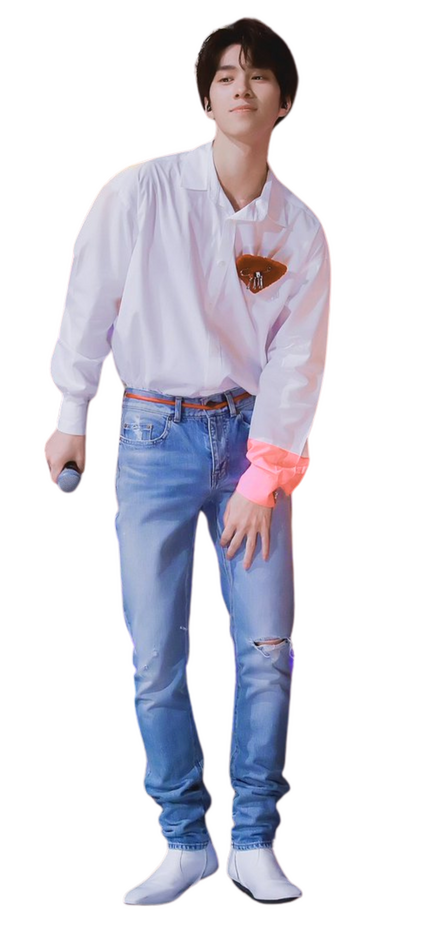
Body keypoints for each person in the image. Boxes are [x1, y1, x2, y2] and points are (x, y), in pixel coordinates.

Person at [42, 14, 334, 909]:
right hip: (151, 439)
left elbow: (299, 362)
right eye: (225, 76)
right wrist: (72, 410)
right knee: (157, 654)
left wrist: (263, 476)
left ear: (286, 102)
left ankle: (253, 839)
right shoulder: (139, 189)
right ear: (204, 98)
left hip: (252, 441)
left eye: (260, 76)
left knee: (266, 647)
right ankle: (182, 839)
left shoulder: (302, 230)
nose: (241, 89)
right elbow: (88, 297)